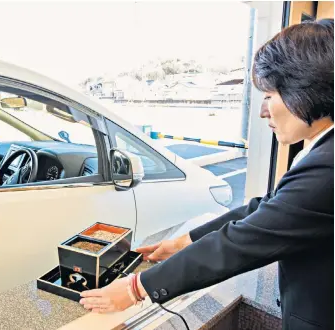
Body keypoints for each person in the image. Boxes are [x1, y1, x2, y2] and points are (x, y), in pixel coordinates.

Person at [80, 19, 334, 330]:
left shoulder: (328, 165)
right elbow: (267, 206)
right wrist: (185, 241)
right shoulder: (323, 150)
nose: (263, 111)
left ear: (305, 88)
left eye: (269, 96)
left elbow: (241, 243)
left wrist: (136, 288)